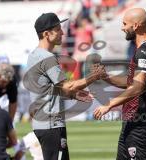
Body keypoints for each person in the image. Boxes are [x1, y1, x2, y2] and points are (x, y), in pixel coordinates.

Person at [23, 12, 104, 160]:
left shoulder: (33, 55)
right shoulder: (47, 58)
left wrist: (73, 94)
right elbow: (68, 85)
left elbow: (49, 88)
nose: (62, 32)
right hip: (51, 124)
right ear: (47, 34)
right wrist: (94, 77)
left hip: (42, 123)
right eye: (58, 29)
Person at [93, 8, 146, 160]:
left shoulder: (145, 52)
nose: (122, 27)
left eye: (125, 23)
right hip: (131, 122)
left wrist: (109, 104)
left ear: (136, 25)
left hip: (138, 123)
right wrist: (106, 77)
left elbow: (138, 86)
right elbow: (131, 81)